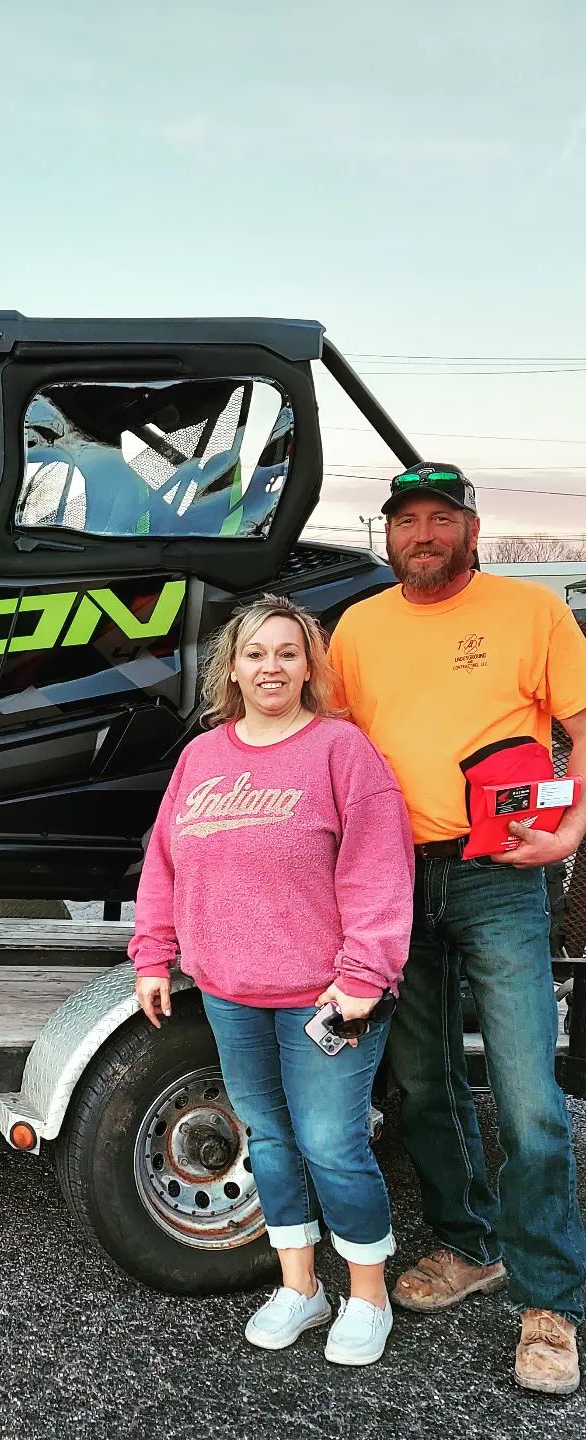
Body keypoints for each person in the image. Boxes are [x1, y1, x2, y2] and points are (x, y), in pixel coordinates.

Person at [329, 462, 586, 1396]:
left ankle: (551, 1301)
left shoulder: (531, 612)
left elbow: (582, 726)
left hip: (501, 873)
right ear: (389, 535)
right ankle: (471, 1245)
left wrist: (573, 828)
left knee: (529, 1098)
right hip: (394, 878)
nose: (424, 535)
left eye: (442, 518)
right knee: (422, 1081)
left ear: (471, 530)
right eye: (407, 521)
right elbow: (334, 750)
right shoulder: (358, 628)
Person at [131, 595, 414, 1365]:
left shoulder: (341, 751)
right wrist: (152, 954)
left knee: (332, 1142)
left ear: (310, 666)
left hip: (328, 997)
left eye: (288, 653)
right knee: (269, 1139)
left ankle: (368, 1297)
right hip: (230, 993)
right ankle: (301, 1288)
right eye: (255, 653)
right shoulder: (202, 758)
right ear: (232, 668)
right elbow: (164, 861)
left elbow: (380, 870)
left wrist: (364, 975)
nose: (271, 667)